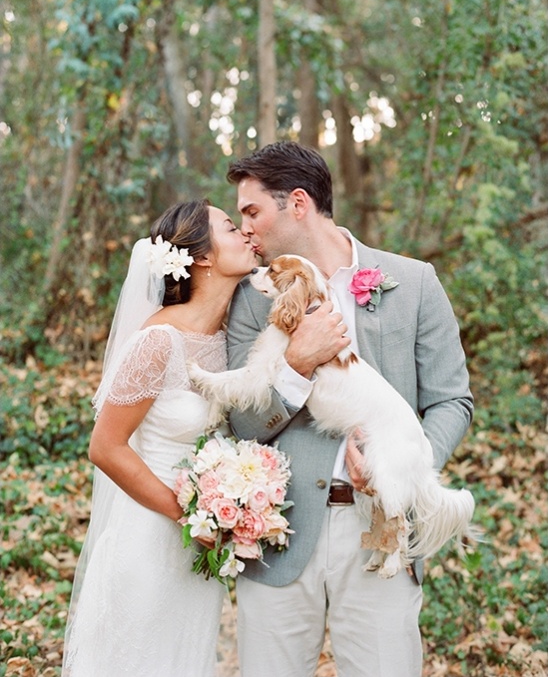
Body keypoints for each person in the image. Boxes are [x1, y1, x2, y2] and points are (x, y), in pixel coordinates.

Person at [225, 141, 474, 677]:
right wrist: (296, 364)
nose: (245, 229)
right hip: (280, 532)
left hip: (382, 528)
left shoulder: (413, 283)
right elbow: (241, 423)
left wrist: (398, 466)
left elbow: (452, 399)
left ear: (297, 203)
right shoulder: (250, 296)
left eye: (252, 212)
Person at [62, 199, 257, 677]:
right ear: (204, 257)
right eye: (232, 228)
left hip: (200, 547)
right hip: (149, 538)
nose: (248, 235)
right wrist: (190, 514)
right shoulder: (157, 342)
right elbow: (105, 448)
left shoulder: (231, 336)